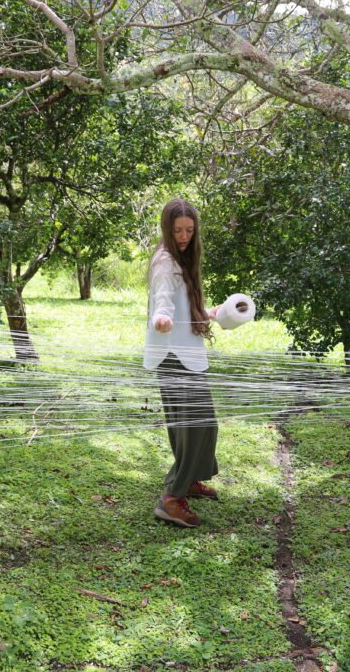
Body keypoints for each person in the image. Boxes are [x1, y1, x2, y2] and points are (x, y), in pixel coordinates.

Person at [144, 198, 221, 528]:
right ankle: (172, 499)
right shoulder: (165, 261)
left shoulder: (183, 258)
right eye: (177, 230)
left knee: (192, 424)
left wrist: (208, 313)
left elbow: (182, 302)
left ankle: (186, 480)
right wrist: (161, 316)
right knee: (197, 426)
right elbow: (163, 297)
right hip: (174, 355)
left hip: (184, 353)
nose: (184, 236)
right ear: (167, 229)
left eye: (189, 230)